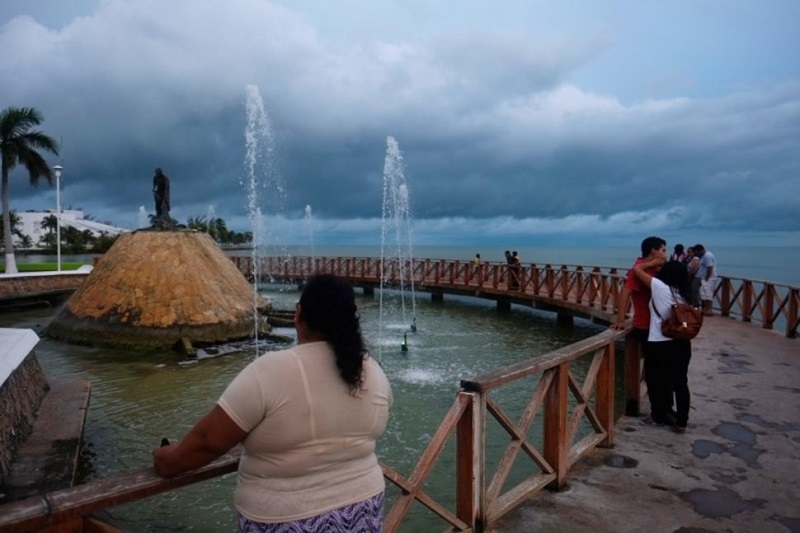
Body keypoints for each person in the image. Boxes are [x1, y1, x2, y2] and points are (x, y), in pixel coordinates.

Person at [153, 274, 393, 532]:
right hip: (363, 512)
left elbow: (208, 442)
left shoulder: (271, 371)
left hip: (288, 520)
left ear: (298, 315)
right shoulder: (373, 371)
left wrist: (166, 458)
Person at [632, 259, 693, 433]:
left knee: (656, 381)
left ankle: (658, 416)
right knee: (680, 382)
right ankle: (681, 422)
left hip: (660, 342)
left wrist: (654, 262)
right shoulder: (683, 293)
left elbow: (637, 270)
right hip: (682, 343)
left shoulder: (660, 287)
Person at [611, 236, 667, 418]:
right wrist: (620, 319)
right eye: (663, 250)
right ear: (653, 251)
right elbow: (626, 293)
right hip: (646, 325)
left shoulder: (653, 268)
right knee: (653, 369)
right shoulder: (638, 269)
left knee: (661, 368)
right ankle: (657, 412)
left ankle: (663, 409)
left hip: (659, 325)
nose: (665, 253)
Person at [693, 244, 717, 316]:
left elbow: (710, 267)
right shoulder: (703, 256)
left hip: (709, 278)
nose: (697, 254)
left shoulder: (707, 256)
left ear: (701, 250)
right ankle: (705, 309)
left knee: (708, 294)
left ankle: (709, 309)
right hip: (704, 277)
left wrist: (707, 278)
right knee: (704, 294)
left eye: (697, 252)